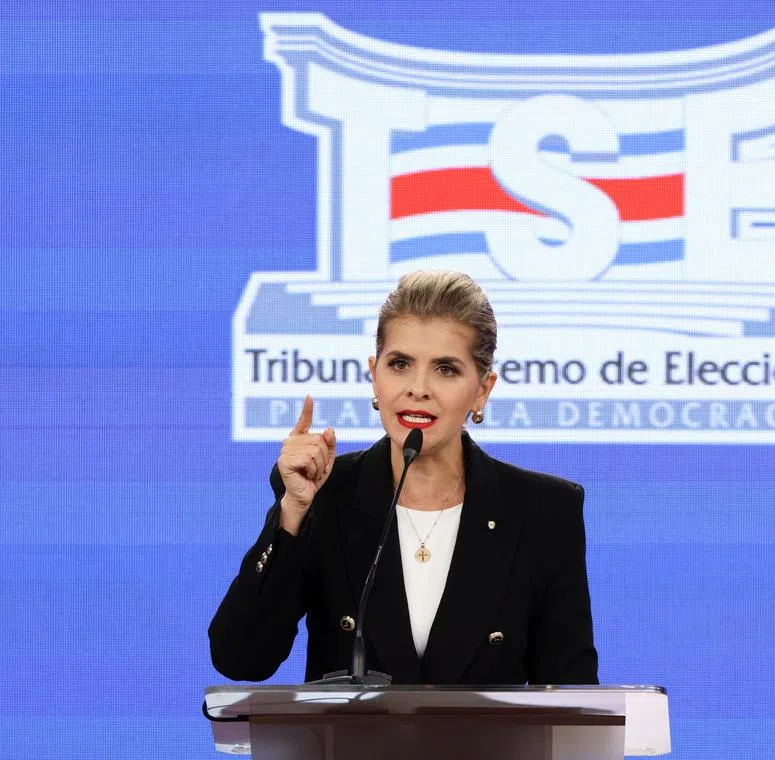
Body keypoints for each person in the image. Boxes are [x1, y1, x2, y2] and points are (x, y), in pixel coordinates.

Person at [209, 270, 598, 685]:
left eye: (446, 369)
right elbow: (241, 658)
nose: (418, 388)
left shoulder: (543, 511)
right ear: (374, 374)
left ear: (483, 389)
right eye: (400, 364)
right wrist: (293, 513)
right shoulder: (326, 492)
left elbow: (571, 695)